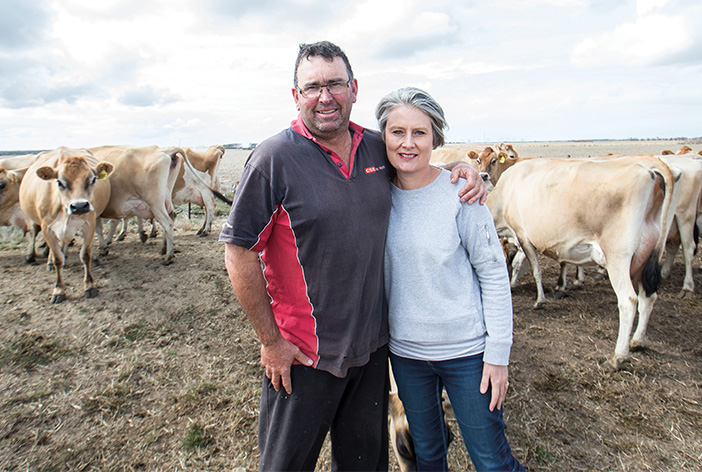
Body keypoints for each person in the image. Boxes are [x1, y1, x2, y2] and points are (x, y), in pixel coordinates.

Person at [220, 41, 487, 471]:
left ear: (354, 88)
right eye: (312, 87)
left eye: (335, 84)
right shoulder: (274, 159)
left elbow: (419, 156)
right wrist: (271, 342)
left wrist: (466, 170)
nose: (324, 97)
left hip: (372, 351)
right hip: (303, 355)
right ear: (296, 96)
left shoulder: (376, 149)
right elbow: (239, 253)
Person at [376, 86, 526, 471]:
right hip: (407, 356)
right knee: (427, 457)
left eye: (420, 133)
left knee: (492, 461)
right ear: (383, 137)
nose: (408, 143)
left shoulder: (461, 193)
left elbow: (493, 273)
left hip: (467, 354)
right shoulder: (373, 195)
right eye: (397, 132)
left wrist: (498, 354)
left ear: (435, 138)